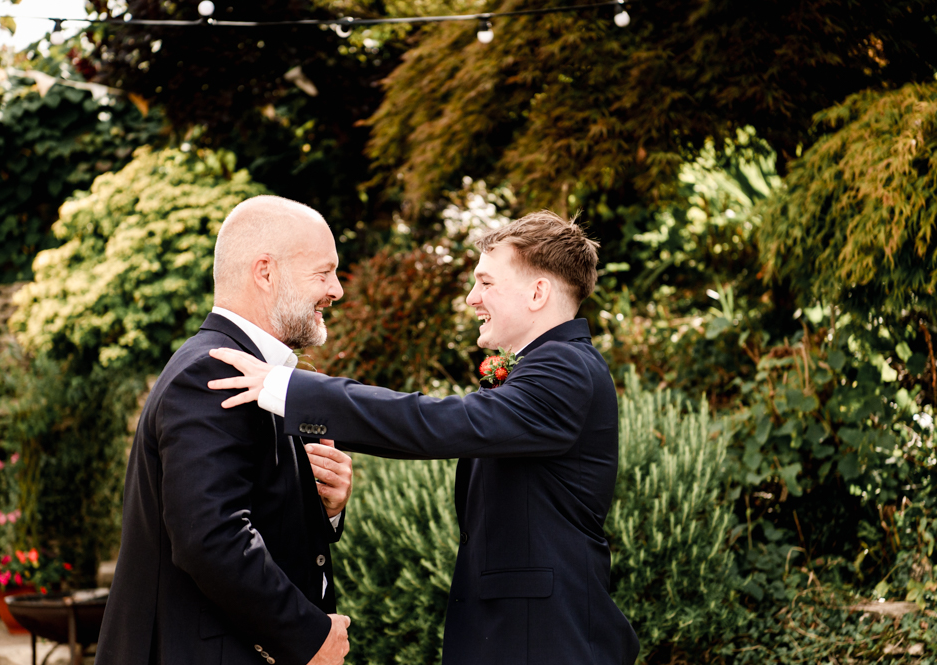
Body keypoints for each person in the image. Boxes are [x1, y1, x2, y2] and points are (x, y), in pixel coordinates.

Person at [208, 210, 641, 665]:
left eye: (486, 283)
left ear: (538, 293)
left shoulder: (566, 369)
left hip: (548, 643)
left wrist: (288, 389)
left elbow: (435, 423)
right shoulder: (542, 370)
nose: (473, 298)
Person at [96, 196, 355, 665]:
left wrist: (325, 508)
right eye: (323, 273)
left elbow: (253, 512)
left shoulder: (257, 372)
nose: (336, 290)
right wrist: (309, 634)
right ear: (265, 272)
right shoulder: (211, 372)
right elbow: (211, 538)